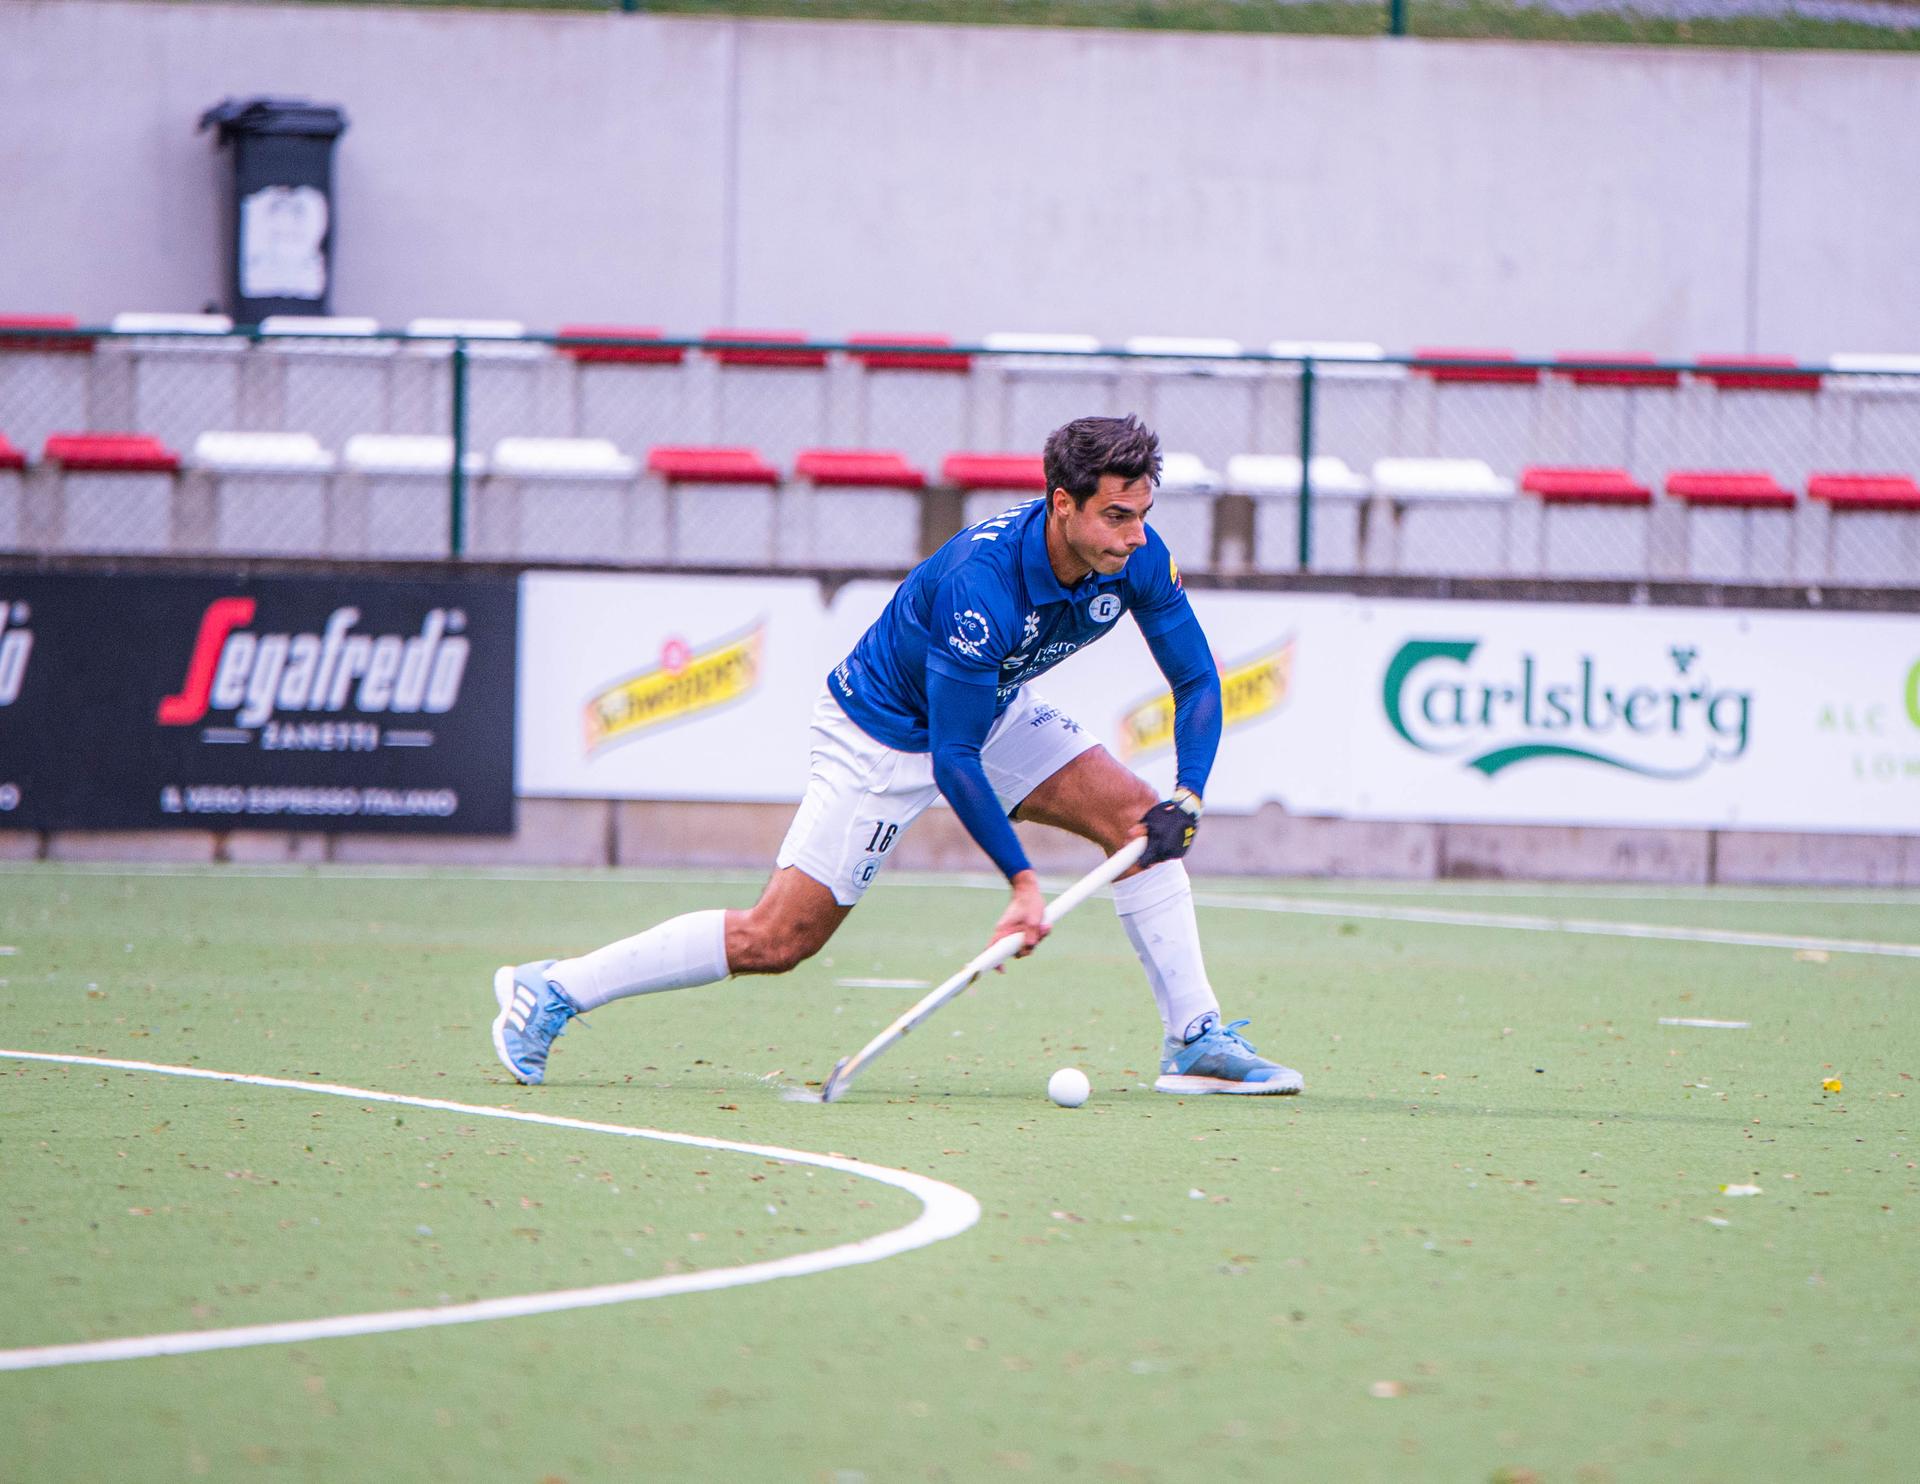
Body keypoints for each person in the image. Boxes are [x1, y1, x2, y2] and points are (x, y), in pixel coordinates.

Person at [492, 414, 1301, 1097]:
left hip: (994, 707)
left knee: (1138, 822)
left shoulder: (1139, 558)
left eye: (1142, 513)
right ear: (1063, 504)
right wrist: (1023, 883)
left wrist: (1187, 795)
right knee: (777, 942)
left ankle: (1194, 1040)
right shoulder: (981, 586)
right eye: (1116, 516)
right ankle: (555, 988)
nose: (1134, 535)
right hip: (882, 734)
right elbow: (951, 757)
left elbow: (1197, 680)